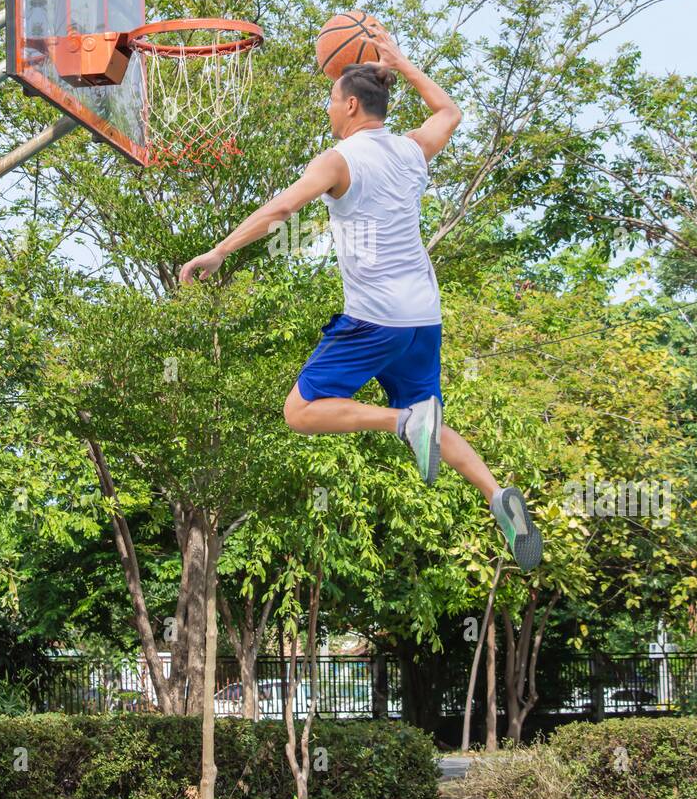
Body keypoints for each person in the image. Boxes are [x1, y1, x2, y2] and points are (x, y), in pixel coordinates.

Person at [179, 35, 543, 571]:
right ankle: (496, 496)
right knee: (428, 418)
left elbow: (279, 210)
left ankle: (399, 423)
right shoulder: (412, 149)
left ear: (351, 104)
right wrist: (404, 63)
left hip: (375, 319)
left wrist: (219, 251)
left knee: (300, 413)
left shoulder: (339, 160)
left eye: (331, 100)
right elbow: (450, 110)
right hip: (424, 317)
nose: (328, 109)